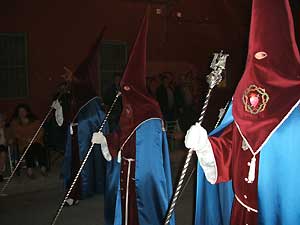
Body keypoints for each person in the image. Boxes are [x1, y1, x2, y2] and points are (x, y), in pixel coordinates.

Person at [185, 0, 300, 224]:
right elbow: (231, 148)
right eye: (255, 55)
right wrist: (206, 146)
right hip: (241, 213)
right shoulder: (245, 97)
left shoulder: (296, 104)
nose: (260, 62)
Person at [92, 10, 175, 225]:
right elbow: (122, 136)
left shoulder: (150, 112)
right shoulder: (128, 109)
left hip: (141, 178)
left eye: (126, 90)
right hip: (127, 174)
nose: (123, 95)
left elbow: (149, 154)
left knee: (143, 214)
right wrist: (106, 140)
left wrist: (126, 159)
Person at [10, 104, 47, 178]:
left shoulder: (35, 120)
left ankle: (43, 168)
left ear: (27, 112)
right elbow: (15, 134)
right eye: (20, 111)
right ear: (17, 113)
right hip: (23, 143)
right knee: (29, 149)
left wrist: (33, 139)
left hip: (36, 141)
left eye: (23, 111)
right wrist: (26, 139)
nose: (22, 113)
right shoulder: (15, 122)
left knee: (38, 147)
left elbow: (41, 131)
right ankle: (29, 170)